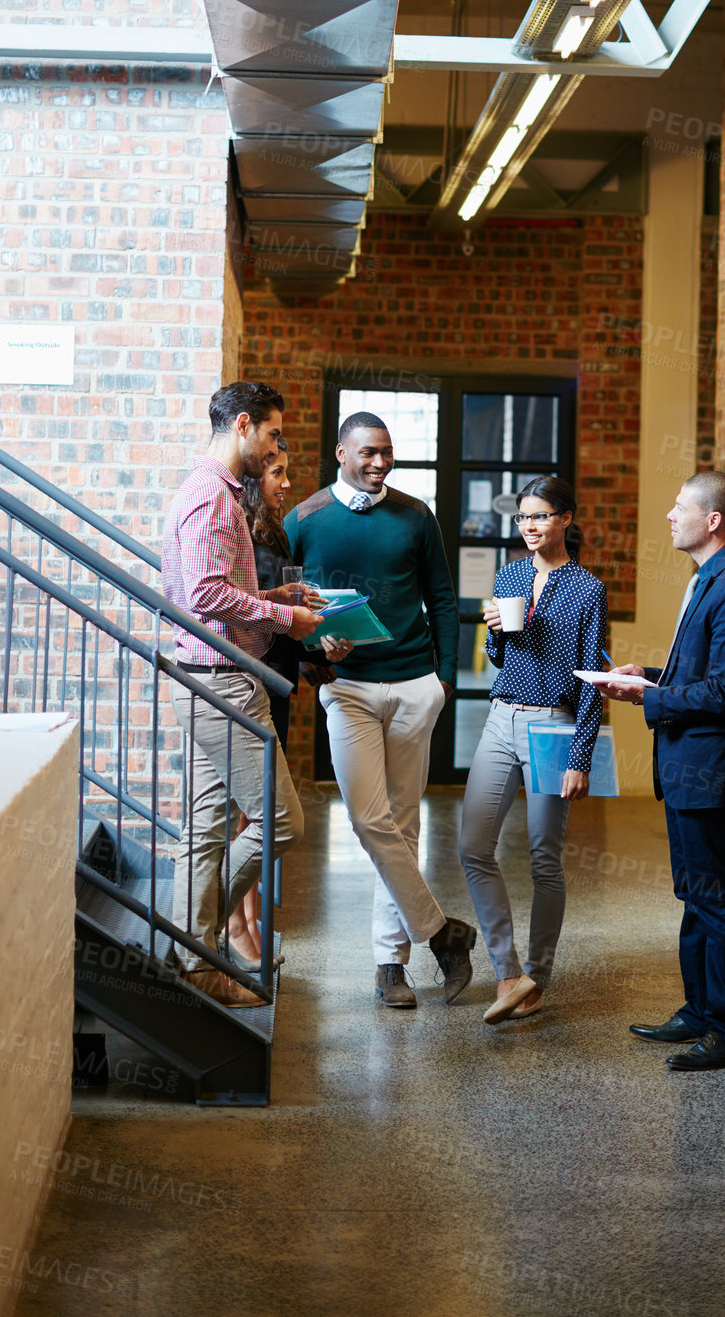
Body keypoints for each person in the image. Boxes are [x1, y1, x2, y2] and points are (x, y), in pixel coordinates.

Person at [286, 410, 478, 1009]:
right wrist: (315, 650)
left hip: (415, 684)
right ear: (341, 452)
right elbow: (285, 605)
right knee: (371, 821)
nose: (379, 463)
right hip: (347, 689)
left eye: (387, 453)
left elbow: (442, 597)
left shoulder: (416, 516)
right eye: (368, 452)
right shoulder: (304, 519)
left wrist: (443, 680)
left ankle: (390, 965)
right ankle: (444, 934)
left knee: (405, 823)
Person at [604, 470, 725, 1070]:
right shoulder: (708, 579)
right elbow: (703, 676)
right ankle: (700, 1011)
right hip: (686, 765)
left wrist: (646, 700)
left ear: (713, 521)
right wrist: (647, 677)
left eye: (680, 508)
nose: (668, 517)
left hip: (707, 768)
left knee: (717, 897)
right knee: (694, 892)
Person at [162, 381, 321, 1009]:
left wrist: (275, 601)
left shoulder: (219, 494)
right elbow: (204, 596)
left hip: (210, 676)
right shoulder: (211, 499)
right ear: (245, 426)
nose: (276, 446)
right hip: (220, 683)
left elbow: (221, 593)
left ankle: (193, 958)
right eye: (275, 434)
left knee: (205, 830)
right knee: (282, 822)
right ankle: (191, 943)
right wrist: (285, 622)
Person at [459, 476, 607, 1025]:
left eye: (540, 516)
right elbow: (500, 657)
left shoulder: (587, 589)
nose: (530, 527)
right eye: (523, 518)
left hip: (555, 726)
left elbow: (594, 677)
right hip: (502, 719)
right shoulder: (511, 574)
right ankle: (507, 972)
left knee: (544, 857)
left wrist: (580, 757)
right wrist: (493, 629)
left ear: (565, 518)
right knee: (474, 846)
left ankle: (538, 980)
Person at [230, 442, 353, 965]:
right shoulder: (237, 528)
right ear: (255, 477)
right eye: (277, 474)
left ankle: (250, 918)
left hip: (276, 676)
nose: (285, 484)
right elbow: (247, 612)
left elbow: (278, 608)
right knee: (248, 814)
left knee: (255, 810)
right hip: (248, 677)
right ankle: (235, 924)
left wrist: (309, 653)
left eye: (286, 473)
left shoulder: (274, 531)